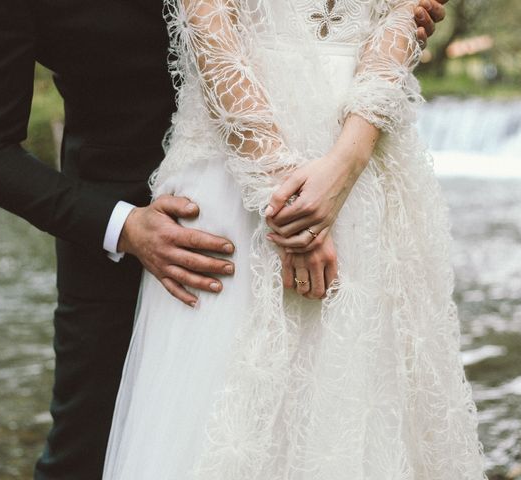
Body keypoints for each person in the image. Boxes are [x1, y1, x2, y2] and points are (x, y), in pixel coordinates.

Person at [0, 0, 448, 478]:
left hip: (333, 186)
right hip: (146, 228)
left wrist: (382, 24)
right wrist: (124, 226)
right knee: (88, 453)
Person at [102, 0, 487, 479]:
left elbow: (404, 15)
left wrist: (345, 165)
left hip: (365, 176)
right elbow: (211, 30)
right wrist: (286, 202)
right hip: (232, 178)